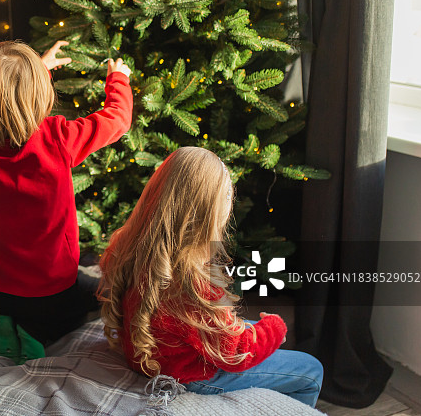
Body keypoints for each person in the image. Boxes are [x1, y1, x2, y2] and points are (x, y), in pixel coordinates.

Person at [98, 146, 323, 407]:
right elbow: (235, 353)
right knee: (311, 369)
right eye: (227, 196)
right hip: (188, 375)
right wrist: (274, 328)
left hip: (151, 356)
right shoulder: (191, 282)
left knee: (250, 327)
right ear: (209, 211)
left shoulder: (131, 244)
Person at [0, 40, 133, 363]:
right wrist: (119, 79)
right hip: (48, 295)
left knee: (18, 303)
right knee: (96, 297)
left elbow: (4, 99)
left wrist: (38, 68)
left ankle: (6, 324)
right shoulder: (58, 138)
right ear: (39, 93)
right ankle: (35, 333)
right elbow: (117, 120)